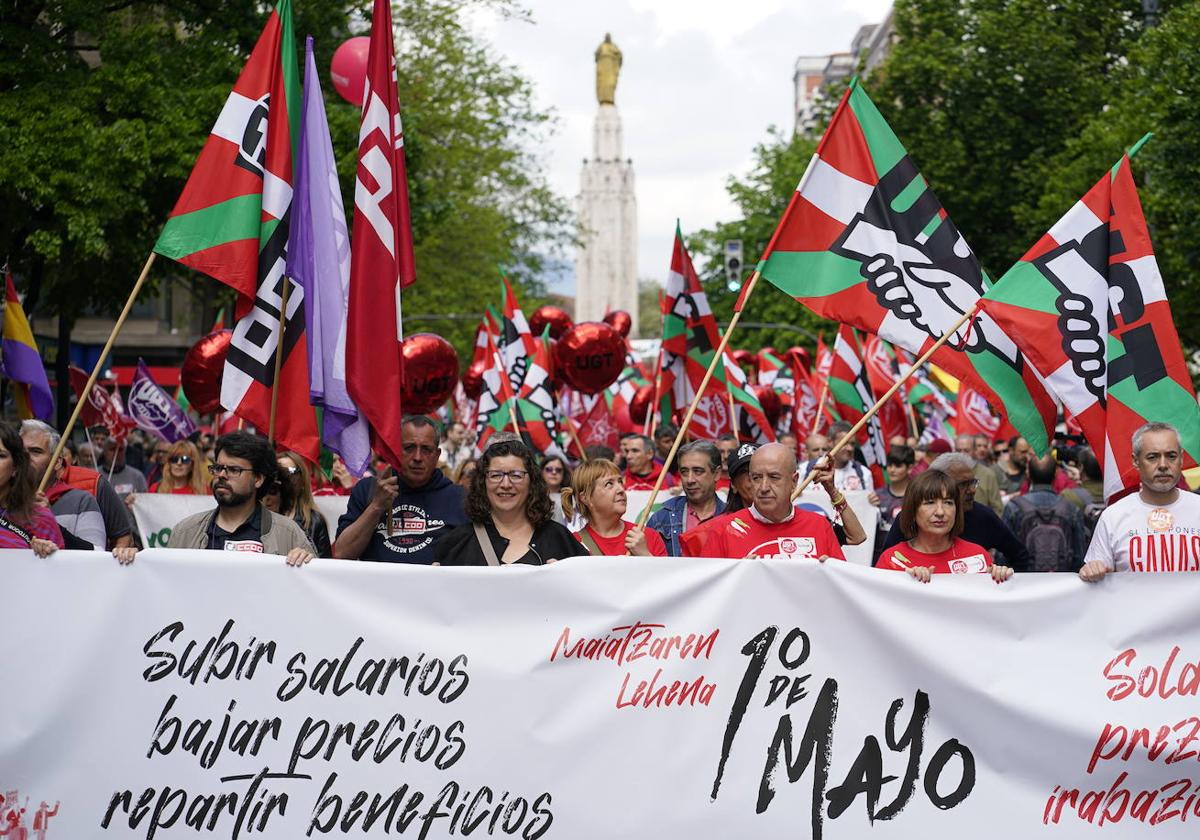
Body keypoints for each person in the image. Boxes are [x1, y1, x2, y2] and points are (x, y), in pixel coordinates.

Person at [116, 431, 314, 565]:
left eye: (234, 470)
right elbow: (164, 586)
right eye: (218, 468)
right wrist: (135, 561)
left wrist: (306, 561)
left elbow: (314, 591)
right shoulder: (185, 532)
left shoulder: (288, 534)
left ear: (258, 479)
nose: (221, 475)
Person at [434, 439, 589, 566]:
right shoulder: (456, 544)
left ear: (532, 482)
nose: (506, 484)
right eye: (495, 475)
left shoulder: (559, 539)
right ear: (482, 482)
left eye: (516, 475)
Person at [335, 416, 467, 563]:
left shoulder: (459, 498)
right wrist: (376, 506)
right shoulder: (368, 490)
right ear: (396, 450)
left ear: (436, 456)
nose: (417, 457)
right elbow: (341, 553)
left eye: (426, 449)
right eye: (409, 448)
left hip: (434, 585)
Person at [1079, 422, 1200, 582]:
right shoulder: (1113, 517)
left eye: (1171, 456)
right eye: (1152, 457)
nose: (1163, 465)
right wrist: (1091, 570)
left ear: (1181, 459)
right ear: (1136, 461)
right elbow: (1096, 574)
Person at [683, 443, 845, 561]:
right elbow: (710, 597)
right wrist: (735, 579)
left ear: (794, 481)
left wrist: (827, 575)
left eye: (774, 477)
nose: (764, 487)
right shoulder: (722, 530)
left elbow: (841, 589)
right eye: (756, 478)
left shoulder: (819, 525)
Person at [877, 452, 1032, 571]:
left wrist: (1004, 583)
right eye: (964, 484)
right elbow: (886, 575)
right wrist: (908, 580)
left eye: (973, 482)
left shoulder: (983, 522)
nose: (972, 490)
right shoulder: (899, 541)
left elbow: (1020, 556)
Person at [876, 470, 1014, 584]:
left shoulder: (978, 556)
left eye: (948, 502)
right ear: (912, 510)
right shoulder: (892, 560)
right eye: (930, 502)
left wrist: (1001, 581)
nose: (940, 512)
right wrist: (908, 584)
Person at [20, 420, 105, 549]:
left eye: (35, 451)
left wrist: (49, 522)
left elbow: (97, 555)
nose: (26, 457)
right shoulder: (5, 501)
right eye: (21, 452)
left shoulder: (81, 501)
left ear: (57, 462)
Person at [561, 459, 667, 556]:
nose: (621, 489)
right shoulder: (574, 543)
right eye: (609, 484)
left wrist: (645, 554)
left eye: (620, 481)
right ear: (586, 498)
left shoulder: (647, 536)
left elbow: (666, 577)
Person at [1001, 453, 1087, 572]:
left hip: (1023, 583)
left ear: (1028, 474)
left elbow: (1002, 557)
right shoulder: (1071, 509)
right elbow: (1080, 556)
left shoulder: (1014, 507)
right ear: (1056, 474)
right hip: (1062, 584)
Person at [646, 441, 725, 555]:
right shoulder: (661, 519)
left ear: (716, 473)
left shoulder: (732, 519)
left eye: (698, 471)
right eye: (684, 472)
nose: (690, 480)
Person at [0, 422, 64, 556]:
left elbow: (58, 573)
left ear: (15, 467)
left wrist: (43, 554)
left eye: (1, 456)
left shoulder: (39, 519)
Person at [276, 452, 332, 557]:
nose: (283, 477)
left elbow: (325, 567)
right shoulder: (258, 516)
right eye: (279, 472)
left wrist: (308, 555)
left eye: (289, 472)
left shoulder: (315, 521)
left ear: (302, 480)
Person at [801, 425, 874, 494]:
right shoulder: (805, 470)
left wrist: (872, 501)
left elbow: (868, 505)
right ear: (830, 442)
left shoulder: (864, 474)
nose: (850, 448)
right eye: (845, 443)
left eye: (852, 444)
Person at [955, 433, 1003, 515]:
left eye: (966, 451)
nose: (961, 455)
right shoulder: (948, 474)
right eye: (959, 450)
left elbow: (998, 509)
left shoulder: (988, 475)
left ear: (974, 451)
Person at [875, 444, 913, 543]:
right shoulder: (877, 495)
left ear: (909, 468)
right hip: (879, 554)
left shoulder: (916, 496)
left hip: (905, 554)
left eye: (898, 466)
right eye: (890, 465)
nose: (892, 470)